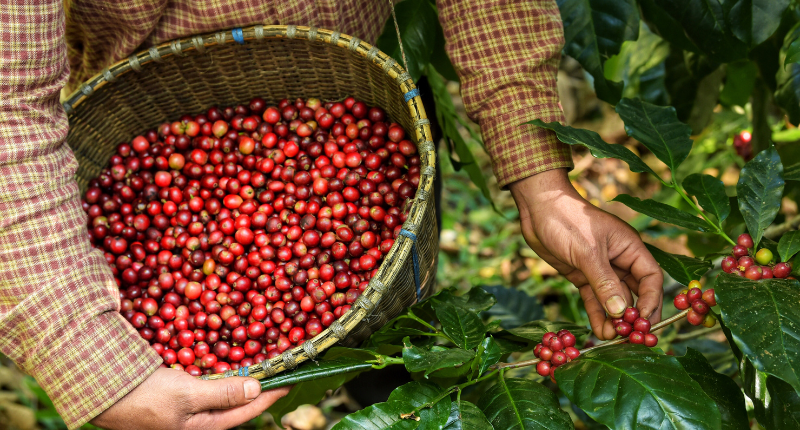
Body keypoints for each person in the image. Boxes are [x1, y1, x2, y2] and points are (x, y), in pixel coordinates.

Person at [0, 0, 664, 429]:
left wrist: (541, 181)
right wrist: (91, 361)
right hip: (143, 89)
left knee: (400, 331)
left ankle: (388, 394)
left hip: (357, 79)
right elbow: (9, 108)